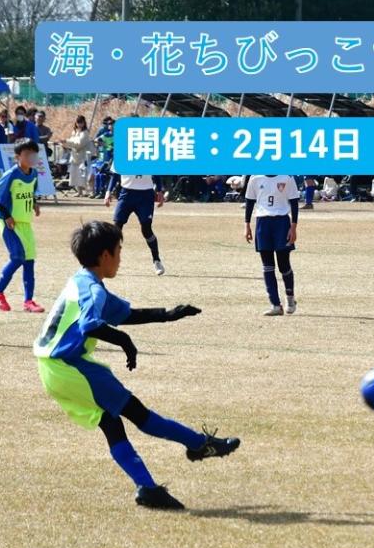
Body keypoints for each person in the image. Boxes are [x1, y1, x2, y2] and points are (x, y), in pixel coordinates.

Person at [34, 221, 239, 510]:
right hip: (70, 367)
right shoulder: (93, 289)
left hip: (53, 370)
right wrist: (124, 341)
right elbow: (90, 324)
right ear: (105, 256)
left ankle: (149, 487)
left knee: (111, 422)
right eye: (119, 251)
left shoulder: (81, 281)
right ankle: (197, 444)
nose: (121, 257)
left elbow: (126, 314)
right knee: (138, 414)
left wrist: (168, 315)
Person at [0, 139, 45, 314]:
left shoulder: (34, 174)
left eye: (34, 154)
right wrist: (6, 216)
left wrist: (35, 202)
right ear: (17, 156)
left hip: (25, 223)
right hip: (9, 222)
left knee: (29, 261)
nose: (31, 157)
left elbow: (32, 192)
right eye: (27, 154)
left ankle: (28, 301)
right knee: (17, 258)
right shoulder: (12, 174)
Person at [244, 175, 300, 316]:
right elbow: (250, 202)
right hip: (263, 223)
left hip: (281, 222)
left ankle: (290, 298)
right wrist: (247, 225)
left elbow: (294, 203)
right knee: (267, 266)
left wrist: (293, 227)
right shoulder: (255, 178)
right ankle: (275, 304)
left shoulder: (287, 177)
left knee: (283, 264)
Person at [105, 166, 166, 276]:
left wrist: (160, 191)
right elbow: (115, 174)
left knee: (146, 229)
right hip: (126, 193)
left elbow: (156, 173)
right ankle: (109, 261)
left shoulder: (149, 153)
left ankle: (156, 260)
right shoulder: (122, 153)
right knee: (116, 228)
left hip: (145, 195)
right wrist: (108, 191)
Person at [62, 115, 94, 196]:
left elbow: (79, 144)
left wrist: (66, 142)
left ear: (84, 123)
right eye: (78, 122)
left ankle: (87, 191)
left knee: (83, 175)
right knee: (75, 174)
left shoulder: (85, 133)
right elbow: (71, 143)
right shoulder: (74, 132)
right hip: (74, 156)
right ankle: (79, 191)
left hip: (83, 157)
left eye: (81, 122)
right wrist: (64, 144)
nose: (79, 124)